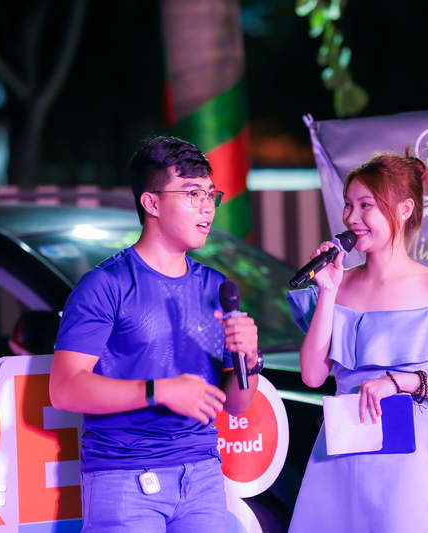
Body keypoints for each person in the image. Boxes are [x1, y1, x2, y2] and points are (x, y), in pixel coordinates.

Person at [49, 136, 262, 532]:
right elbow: (65, 389)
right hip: (124, 475)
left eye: (210, 195)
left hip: (202, 474)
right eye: (192, 193)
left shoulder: (215, 287)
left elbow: (237, 404)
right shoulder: (105, 285)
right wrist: (158, 391)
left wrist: (249, 360)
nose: (206, 207)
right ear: (151, 203)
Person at [286, 152, 428, 533]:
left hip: (405, 462)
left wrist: (402, 382)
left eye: (366, 205)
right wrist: (327, 292)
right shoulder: (339, 284)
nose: (352, 218)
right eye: (349, 205)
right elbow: (312, 375)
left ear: (404, 209)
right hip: (340, 453)